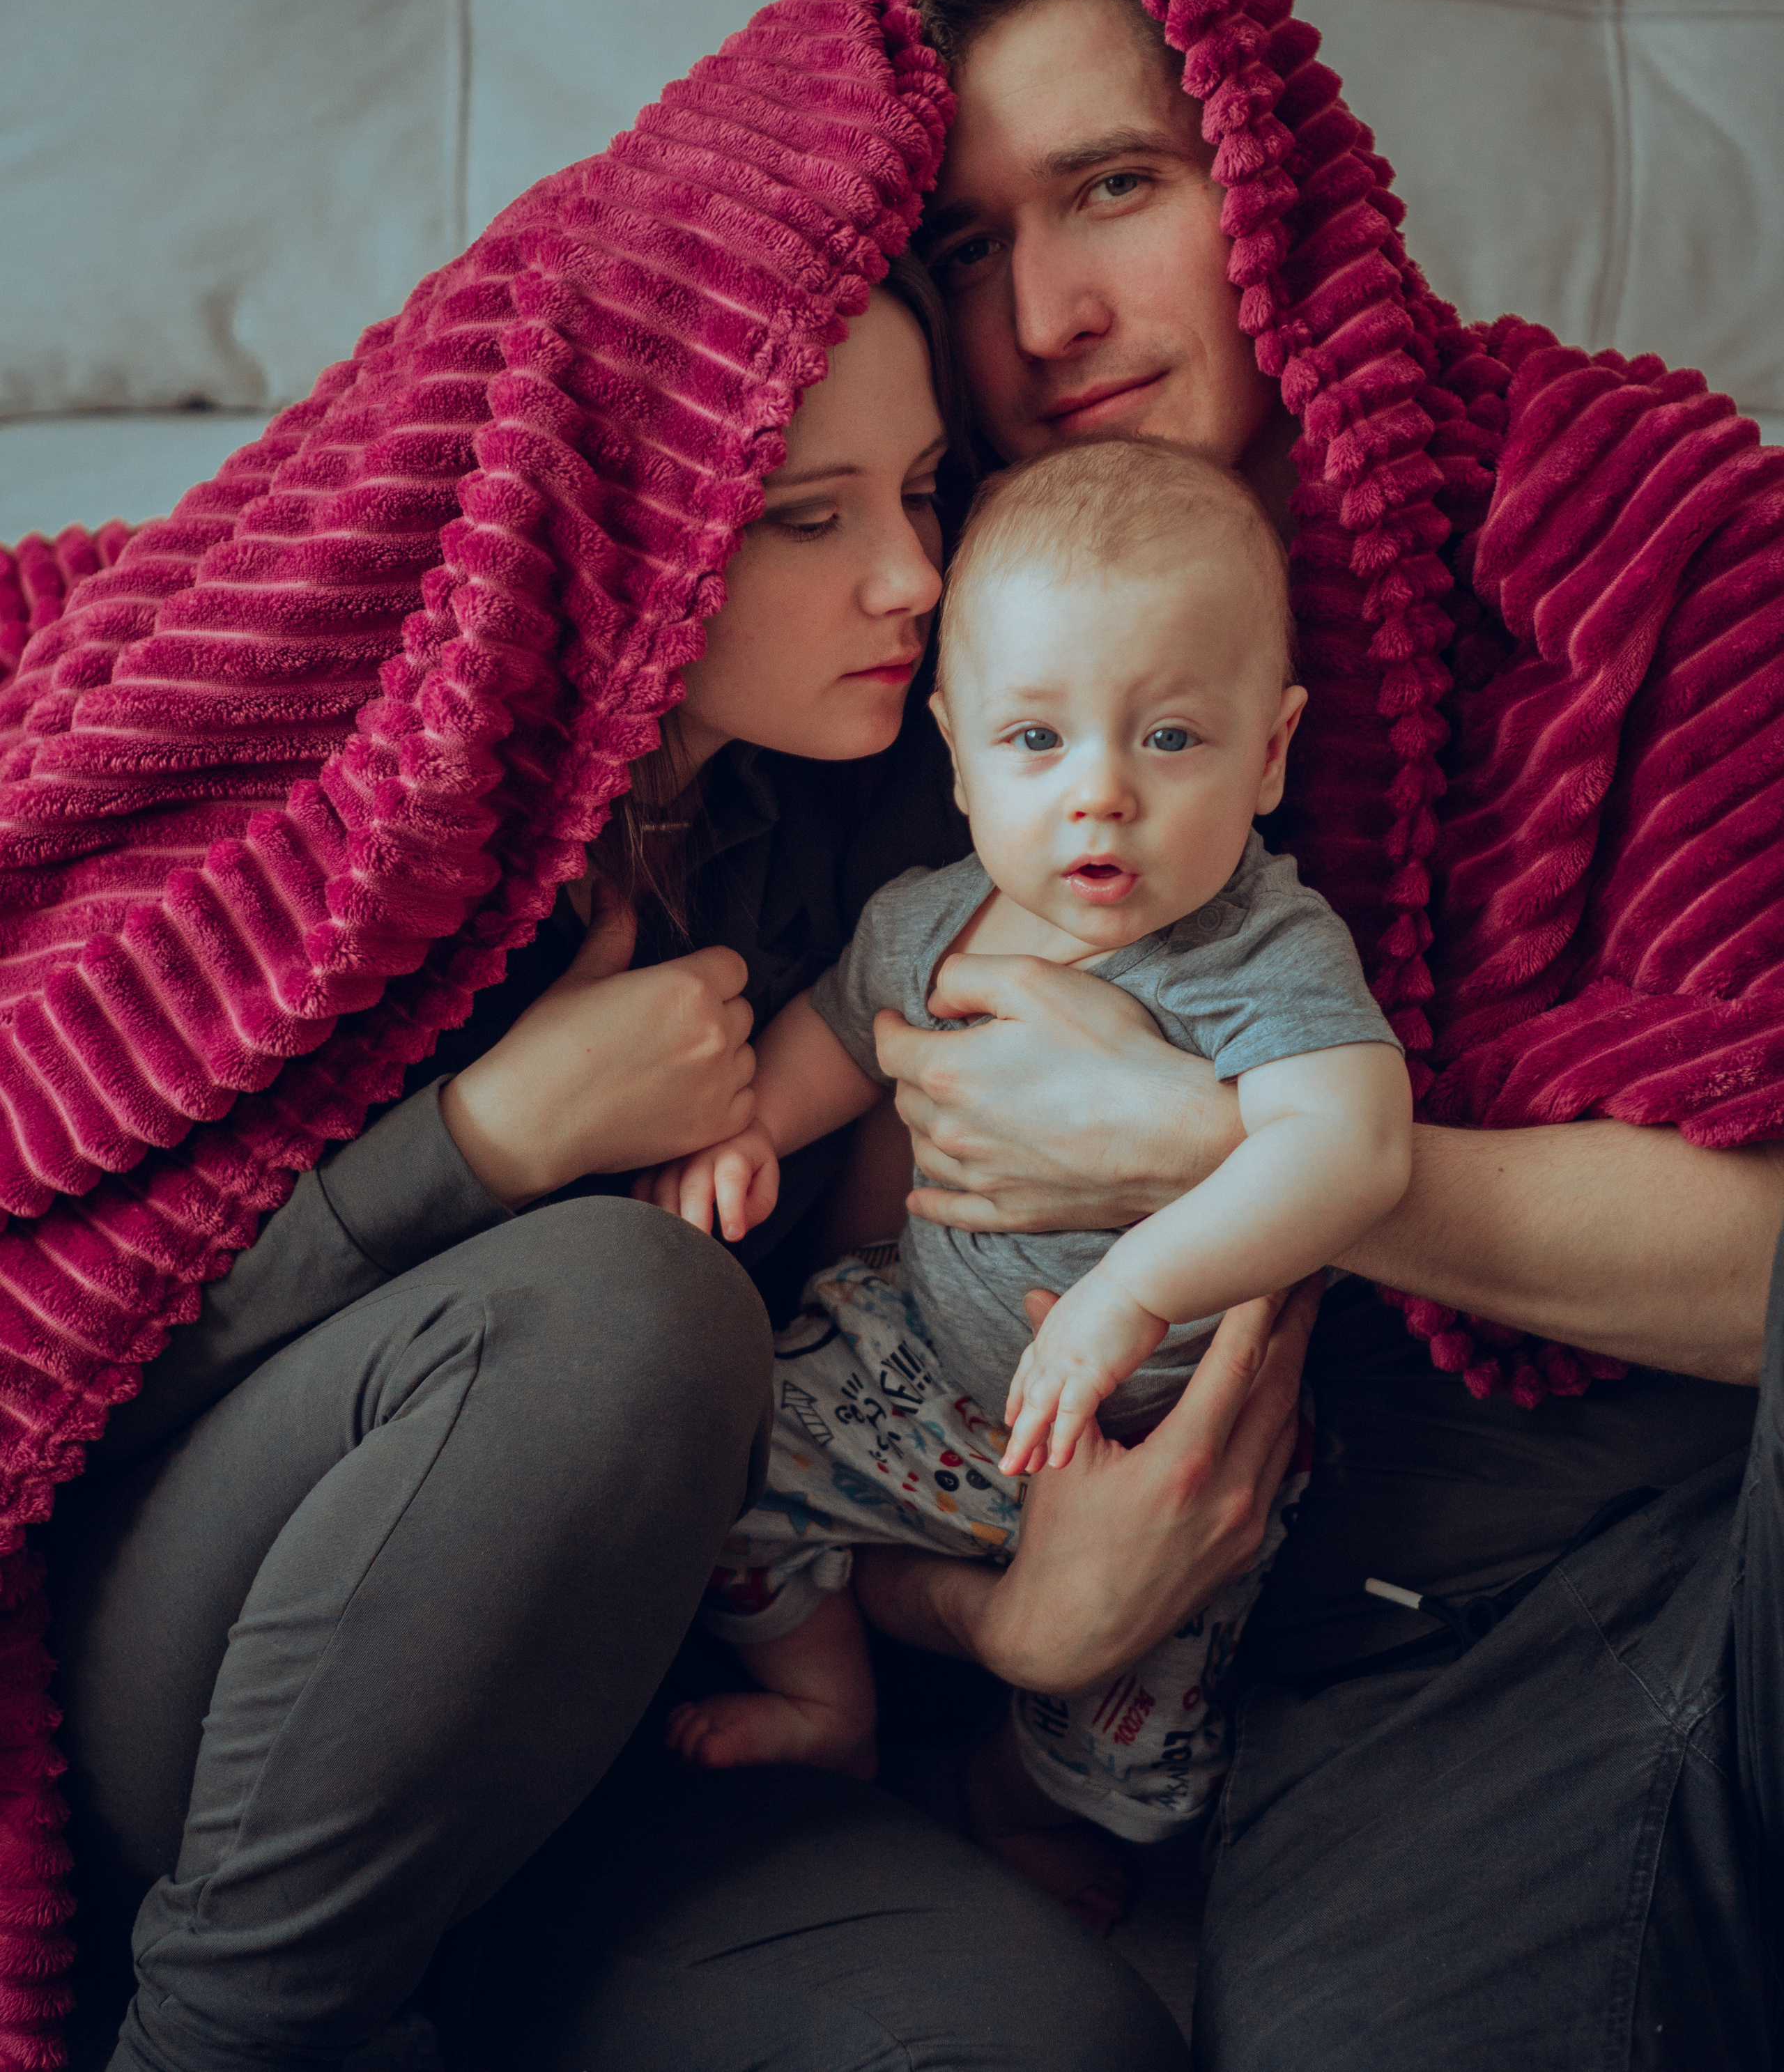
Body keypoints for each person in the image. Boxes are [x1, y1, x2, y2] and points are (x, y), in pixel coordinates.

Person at [41, 265, 1190, 2072]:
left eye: (919, 495)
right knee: (621, 1305)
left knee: (1051, 2040)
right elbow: (55, 1375)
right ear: (628, 536)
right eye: (815, 517)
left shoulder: (907, 817)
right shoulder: (340, 802)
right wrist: (491, 1138)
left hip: (615, 1727)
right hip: (195, 1697)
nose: (909, 576)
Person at [834, 0, 1783, 2066]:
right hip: (1374, 1624)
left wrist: (1215, 1150)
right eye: (972, 252)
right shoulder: (940, 654)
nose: (1054, 313)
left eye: (1111, 187)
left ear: (1260, 177)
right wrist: (1002, 1621)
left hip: (1701, 1458)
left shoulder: (1632, 512)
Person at [654, 440, 1409, 1905]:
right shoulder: (929, 919)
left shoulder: (1259, 950)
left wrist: (1134, 1289)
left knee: (1139, 1763)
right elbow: (844, 1034)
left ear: (1269, 750)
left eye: (1171, 740)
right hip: (922, 1356)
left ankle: (1028, 1800)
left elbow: (1354, 1144)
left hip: (1150, 1440)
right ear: (953, 747)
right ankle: (832, 1708)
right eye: (1035, 741)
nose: (1099, 798)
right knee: (719, 1458)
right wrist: (752, 1129)